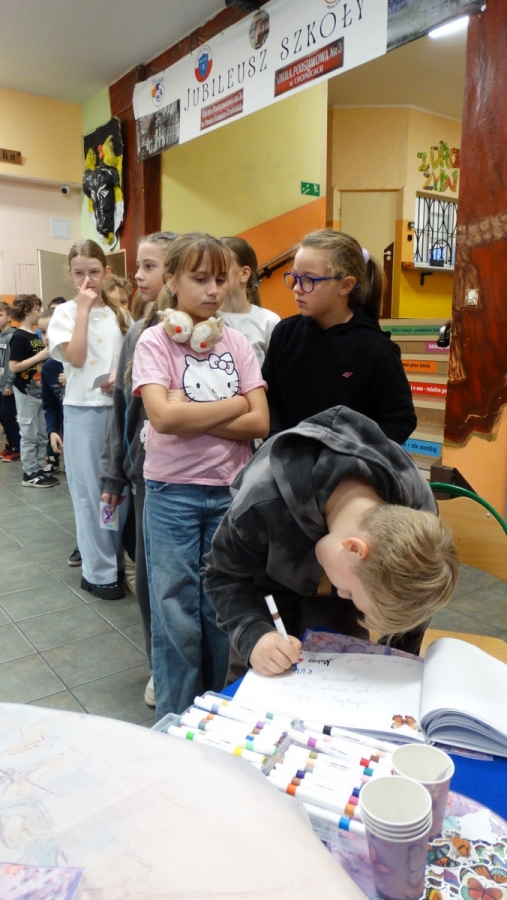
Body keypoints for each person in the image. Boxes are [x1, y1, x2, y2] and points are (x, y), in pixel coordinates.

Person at [203, 406, 459, 678]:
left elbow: (413, 607)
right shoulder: (262, 500)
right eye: (351, 594)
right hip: (262, 593)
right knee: (261, 668)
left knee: (345, 672)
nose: (344, 595)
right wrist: (252, 635)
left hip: (339, 600)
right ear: (354, 548)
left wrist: (399, 666)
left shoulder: (419, 516)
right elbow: (222, 575)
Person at [132, 231, 269, 716]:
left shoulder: (236, 341)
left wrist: (192, 409)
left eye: (220, 278)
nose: (213, 290)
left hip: (229, 492)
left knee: (220, 608)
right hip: (171, 493)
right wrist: (234, 405)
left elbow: (261, 422)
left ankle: (215, 714)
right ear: (172, 280)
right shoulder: (155, 341)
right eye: (199, 278)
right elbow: (162, 418)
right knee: (174, 611)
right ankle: (175, 718)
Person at [100, 231, 174, 707]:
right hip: (149, 474)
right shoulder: (137, 333)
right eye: (139, 265)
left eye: (150, 266)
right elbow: (124, 410)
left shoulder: (216, 332)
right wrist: (114, 474)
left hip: (211, 477)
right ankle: (159, 664)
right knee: (152, 579)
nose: (139, 276)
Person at [262, 230, 416, 443]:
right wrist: (278, 441)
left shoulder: (376, 349)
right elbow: (269, 398)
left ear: (345, 285)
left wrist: (350, 454)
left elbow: (400, 420)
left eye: (308, 280)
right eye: (295, 277)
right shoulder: (285, 333)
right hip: (286, 454)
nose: (297, 288)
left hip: (348, 461)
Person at [47, 239, 130, 599]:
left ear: (106, 272)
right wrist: (82, 309)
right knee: (89, 493)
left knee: (117, 491)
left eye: (94, 272)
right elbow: (77, 358)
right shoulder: (65, 314)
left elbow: (133, 360)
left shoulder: (120, 314)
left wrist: (119, 376)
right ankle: (97, 571)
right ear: (70, 274)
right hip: (82, 412)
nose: (87, 280)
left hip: (118, 409)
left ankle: (115, 560)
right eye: (79, 273)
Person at [38, 309, 81, 566]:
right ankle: (84, 541)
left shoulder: (87, 359)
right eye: (43, 331)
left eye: (51, 330)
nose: (46, 337)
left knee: (107, 493)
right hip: (71, 438)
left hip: (101, 438)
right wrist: (53, 430)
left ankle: (116, 543)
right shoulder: (50, 367)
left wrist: (75, 378)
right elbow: (50, 405)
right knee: (79, 496)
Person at [8, 294, 59, 488]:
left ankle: (38, 469)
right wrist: (41, 355)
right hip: (26, 392)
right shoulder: (19, 336)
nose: (40, 312)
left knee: (42, 434)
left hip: (39, 392)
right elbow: (14, 366)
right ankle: (29, 472)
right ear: (27, 310)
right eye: (38, 309)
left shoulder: (36, 335)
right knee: (29, 433)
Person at [218, 236, 280, 366]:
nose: (214, 274)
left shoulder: (269, 321)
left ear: (245, 274)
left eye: (222, 267)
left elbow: (276, 371)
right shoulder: (207, 318)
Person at [0, 301, 21, 462]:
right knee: (2, 416)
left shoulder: (12, 336)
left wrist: (9, 383)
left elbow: (14, 362)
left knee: (7, 415)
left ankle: (17, 446)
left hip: (8, 385)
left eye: (0, 315)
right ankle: (10, 444)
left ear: (9, 317)